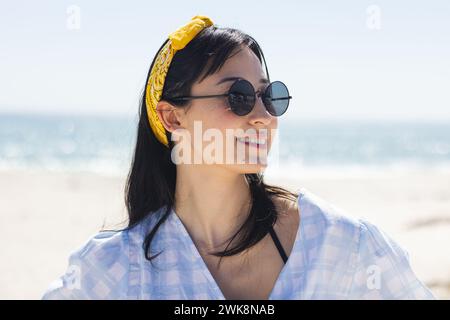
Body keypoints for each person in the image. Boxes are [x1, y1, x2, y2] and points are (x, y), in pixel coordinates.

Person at [42, 15, 435, 300]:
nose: (263, 116)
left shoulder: (342, 246)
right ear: (173, 116)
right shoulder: (112, 272)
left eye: (270, 96)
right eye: (239, 97)